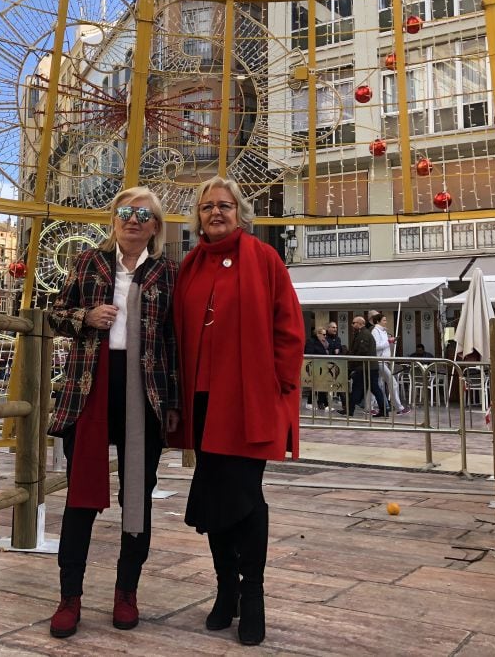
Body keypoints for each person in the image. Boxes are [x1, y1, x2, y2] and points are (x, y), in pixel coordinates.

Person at [168, 176, 304, 647]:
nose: (216, 213)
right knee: (214, 498)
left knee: (246, 496)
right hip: (203, 404)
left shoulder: (264, 258)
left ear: (240, 212)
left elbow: (288, 326)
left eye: (224, 205)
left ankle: (254, 595)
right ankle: (226, 589)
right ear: (198, 217)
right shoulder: (187, 266)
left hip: (250, 401)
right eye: (207, 207)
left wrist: (280, 386)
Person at [46, 186, 180, 638]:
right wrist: (86, 316)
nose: (133, 220)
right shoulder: (88, 262)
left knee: (136, 501)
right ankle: (70, 597)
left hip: (146, 393)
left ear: (155, 227)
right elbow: (55, 315)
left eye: (144, 214)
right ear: (115, 219)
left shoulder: (167, 273)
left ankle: (127, 592)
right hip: (90, 388)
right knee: (79, 497)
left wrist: (175, 403)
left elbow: (175, 342)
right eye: (126, 212)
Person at [348, 315, 388, 418]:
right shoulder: (361, 334)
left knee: (362, 388)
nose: (352, 325)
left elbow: (362, 351)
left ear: (360, 324)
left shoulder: (364, 334)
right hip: (367, 367)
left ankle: (349, 410)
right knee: (364, 388)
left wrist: (352, 362)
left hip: (366, 367)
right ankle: (349, 410)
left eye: (354, 323)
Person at [373, 314, 410, 415]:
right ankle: (399, 407)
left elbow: (385, 345)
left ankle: (371, 407)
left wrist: (390, 341)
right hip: (380, 361)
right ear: (378, 321)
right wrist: (389, 341)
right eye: (384, 320)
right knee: (392, 382)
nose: (386, 322)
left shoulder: (383, 331)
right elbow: (376, 346)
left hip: (384, 361)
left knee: (377, 385)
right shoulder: (375, 331)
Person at [304, 326, 330, 410]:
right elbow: (309, 352)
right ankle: (310, 402)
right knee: (315, 385)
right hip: (315, 366)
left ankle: (323, 403)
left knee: (321, 385)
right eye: (324, 334)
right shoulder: (311, 341)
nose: (325, 336)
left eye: (326, 335)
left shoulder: (325, 342)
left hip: (323, 366)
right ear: (318, 334)